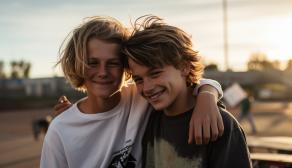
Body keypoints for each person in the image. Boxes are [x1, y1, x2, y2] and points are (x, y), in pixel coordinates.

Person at [40, 16, 224, 168]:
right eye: (92, 63)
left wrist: (207, 95)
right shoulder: (60, 130)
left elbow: (182, 78)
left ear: (125, 68)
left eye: (113, 63)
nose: (103, 73)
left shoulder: (141, 95)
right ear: (78, 65)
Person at [122, 15, 252, 167]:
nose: (147, 87)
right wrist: (208, 92)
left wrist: (208, 94)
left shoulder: (220, 125)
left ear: (184, 67)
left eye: (155, 73)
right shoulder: (147, 119)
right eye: (139, 79)